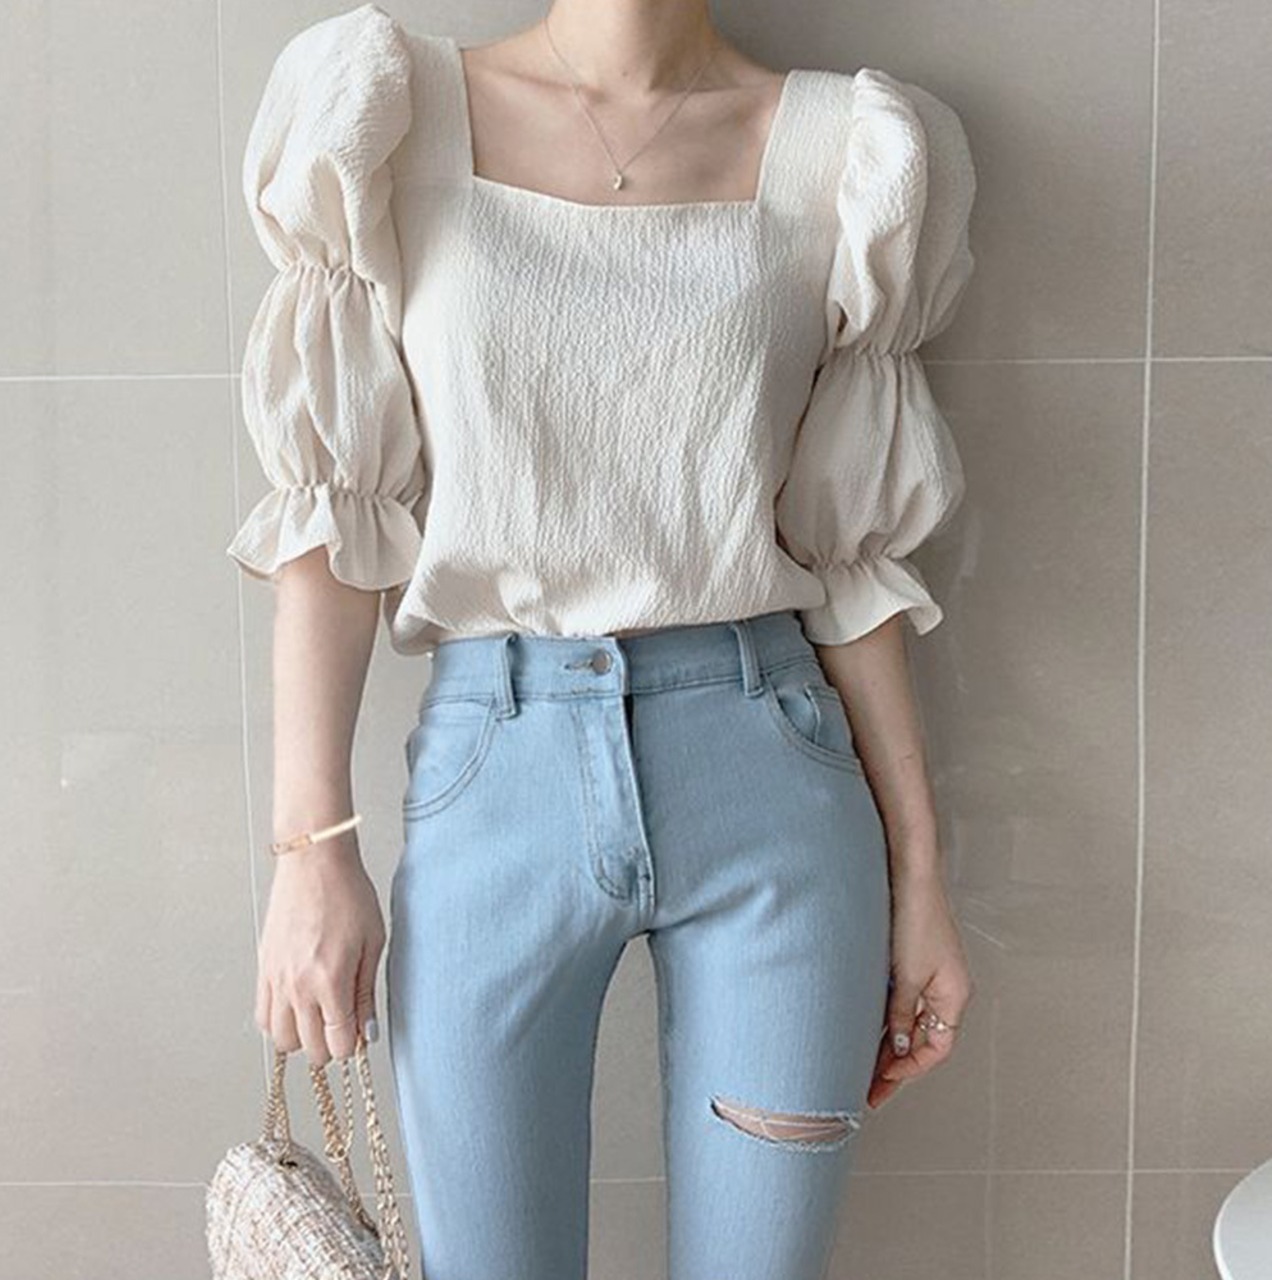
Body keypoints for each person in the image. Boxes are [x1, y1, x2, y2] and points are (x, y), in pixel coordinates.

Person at [227, 0, 977, 1276]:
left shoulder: (842, 150)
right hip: (495, 769)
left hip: (769, 780)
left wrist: (920, 881)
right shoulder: (391, 113)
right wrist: (310, 851)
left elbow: (850, 565)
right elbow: (330, 515)